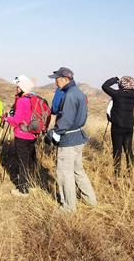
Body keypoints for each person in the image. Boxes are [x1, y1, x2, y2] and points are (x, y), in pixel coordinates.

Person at [49, 67, 97, 212]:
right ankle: (90, 200)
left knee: (64, 173)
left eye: (57, 79)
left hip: (68, 139)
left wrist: (54, 133)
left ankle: (69, 208)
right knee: (78, 170)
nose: (55, 83)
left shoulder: (69, 95)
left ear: (65, 79)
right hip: (78, 137)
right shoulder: (79, 93)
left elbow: (66, 120)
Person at [101, 76, 134, 177]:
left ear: (121, 84)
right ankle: (130, 173)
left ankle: (117, 174)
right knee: (128, 150)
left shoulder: (117, 94)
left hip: (117, 126)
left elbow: (105, 86)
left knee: (117, 150)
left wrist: (116, 78)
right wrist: (133, 80)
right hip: (129, 126)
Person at [4, 75, 39, 197]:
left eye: (18, 86)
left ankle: (23, 190)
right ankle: (32, 185)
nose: (16, 88)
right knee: (30, 161)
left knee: (23, 162)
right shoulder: (33, 98)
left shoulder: (22, 101)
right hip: (32, 135)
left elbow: (16, 120)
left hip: (22, 136)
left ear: (22, 87)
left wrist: (7, 118)